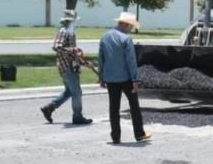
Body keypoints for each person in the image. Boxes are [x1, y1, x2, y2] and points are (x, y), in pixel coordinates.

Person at [98, 12, 151, 144]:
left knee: (114, 108)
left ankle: (115, 137)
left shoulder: (104, 37)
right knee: (134, 107)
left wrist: (101, 77)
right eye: (131, 26)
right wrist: (135, 80)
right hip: (127, 79)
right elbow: (131, 61)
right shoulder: (126, 39)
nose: (131, 29)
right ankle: (139, 134)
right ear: (126, 25)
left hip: (110, 79)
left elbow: (101, 59)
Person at [40, 10, 93, 125]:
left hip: (70, 67)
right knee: (77, 92)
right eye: (75, 21)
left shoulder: (70, 32)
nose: (77, 23)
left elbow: (72, 54)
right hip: (67, 68)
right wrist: (73, 50)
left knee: (69, 91)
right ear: (71, 21)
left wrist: (84, 62)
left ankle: (49, 108)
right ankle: (77, 117)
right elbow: (56, 47)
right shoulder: (64, 31)